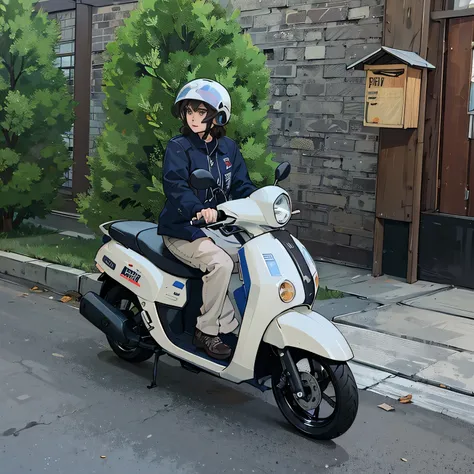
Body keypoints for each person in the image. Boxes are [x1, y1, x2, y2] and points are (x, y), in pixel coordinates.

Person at [157, 78, 257, 360]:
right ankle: (206, 331)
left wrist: (261, 202)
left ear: (218, 115)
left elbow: (241, 185)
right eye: (189, 111)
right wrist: (198, 210)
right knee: (220, 263)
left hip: (219, 229)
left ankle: (233, 323)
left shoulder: (228, 149)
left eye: (201, 112)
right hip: (183, 229)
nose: (194, 118)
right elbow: (176, 186)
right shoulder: (179, 147)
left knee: (251, 259)